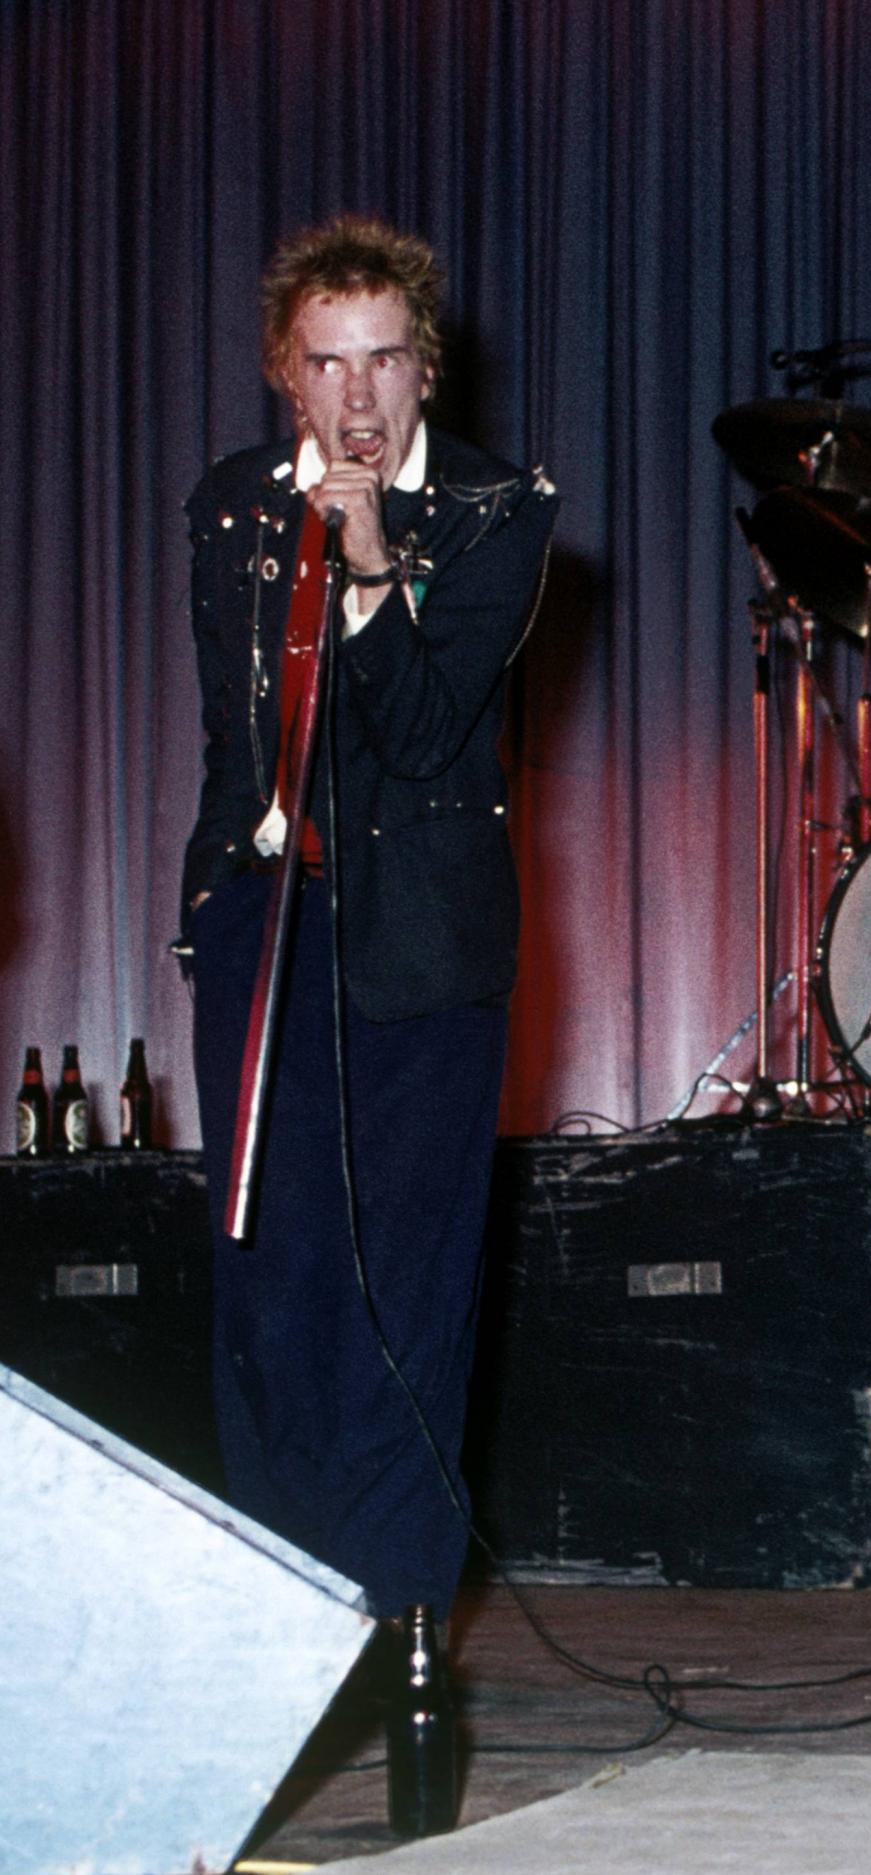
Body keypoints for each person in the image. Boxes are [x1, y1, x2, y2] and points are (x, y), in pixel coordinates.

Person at [181, 213, 557, 1806]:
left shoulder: (496, 516)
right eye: (324, 361)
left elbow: (412, 732)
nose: (356, 397)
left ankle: (402, 1644)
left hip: (421, 958)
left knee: (406, 1307)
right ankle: (265, 1647)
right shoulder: (224, 516)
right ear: (286, 372)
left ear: (425, 366)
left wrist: (372, 561)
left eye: (384, 358)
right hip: (272, 933)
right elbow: (252, 740)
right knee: (273, 1295)